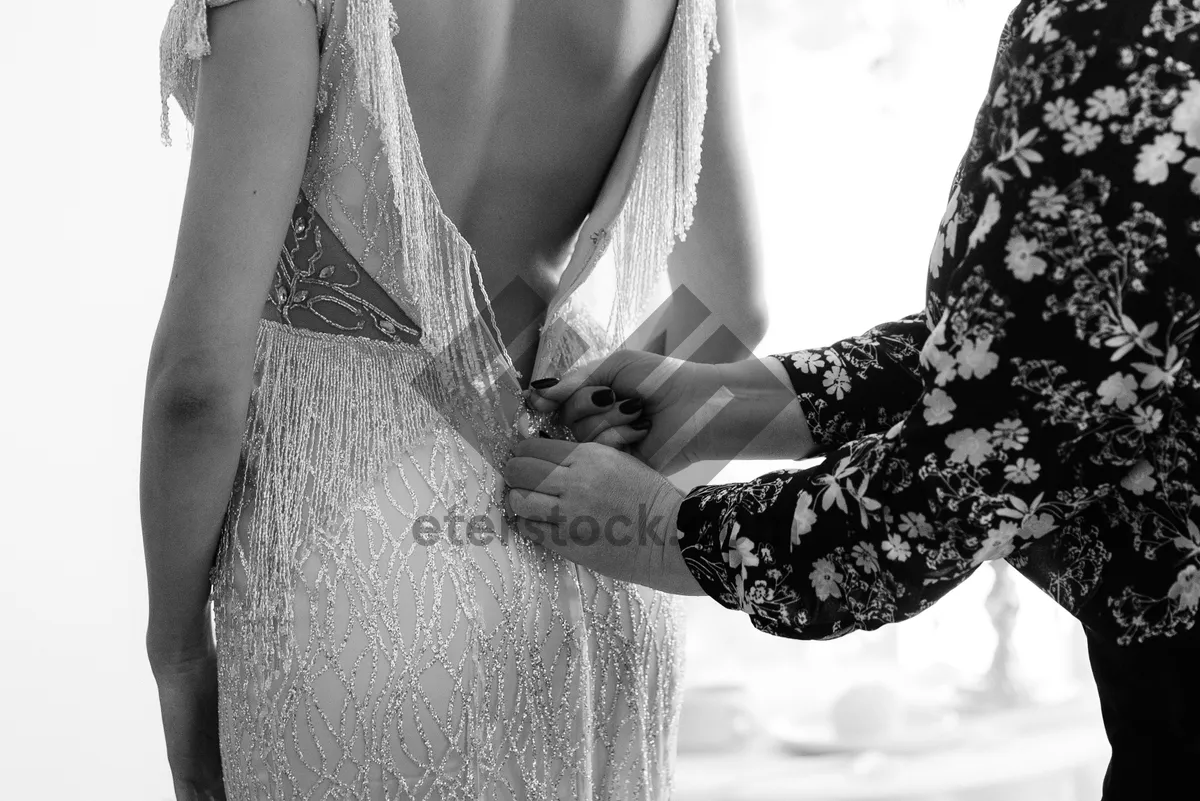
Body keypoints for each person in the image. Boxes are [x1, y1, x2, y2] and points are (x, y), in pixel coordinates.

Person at [505, 1, 1200, 798]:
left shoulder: (1126, 29)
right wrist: (740, 401)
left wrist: (673, 533)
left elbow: (970, 468)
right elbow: (1044, 341)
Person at [141, 0, 766, 798]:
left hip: (347, 563)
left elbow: (197, 383)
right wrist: (610, 485)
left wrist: (178, 656)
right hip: (585, 535)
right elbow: (729, 314)